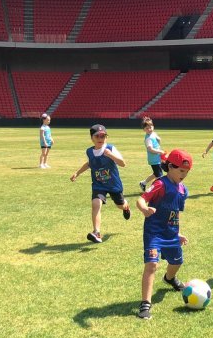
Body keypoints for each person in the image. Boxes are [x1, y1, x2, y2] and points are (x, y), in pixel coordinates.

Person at [136, 149, 193, 320]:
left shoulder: (183, 190)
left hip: (171, 234)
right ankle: (145, 304)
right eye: (181, 171)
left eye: (187, 172)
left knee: (177, 262)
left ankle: (170, 278)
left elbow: (174, 214)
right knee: (151, 266)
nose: (184, 175)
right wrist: (144, 209)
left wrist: (178, 234)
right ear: (170, 167)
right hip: (154, 233)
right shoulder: (160, 184)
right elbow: (141, 199)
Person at [70, 124, 130, 243]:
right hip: (99, 185)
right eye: (97, 136)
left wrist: (110, 155)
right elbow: (89, 164)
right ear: (92, 138)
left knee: (120, 205)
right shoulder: (89, 152)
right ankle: (96, 232)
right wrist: (77, 173)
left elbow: (123, 163)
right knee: (96, 204)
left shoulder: (111, 148)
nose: (100, 138)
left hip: (113, 184)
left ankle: (126, 207)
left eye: (103, 136)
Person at [139, 117, 164, 192]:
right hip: (154, 159)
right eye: (147, 128)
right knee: (159, 176)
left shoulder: (153, 133)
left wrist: (158, 141)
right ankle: (154, 190)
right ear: (144, 130)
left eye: (150, 127)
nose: (149, 129)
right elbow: (150, 149)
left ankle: (143, 183)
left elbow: (158, 140)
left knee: (156, 173)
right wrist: (159, 151)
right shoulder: (148, 139)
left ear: (153, 126)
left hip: (157, 157)